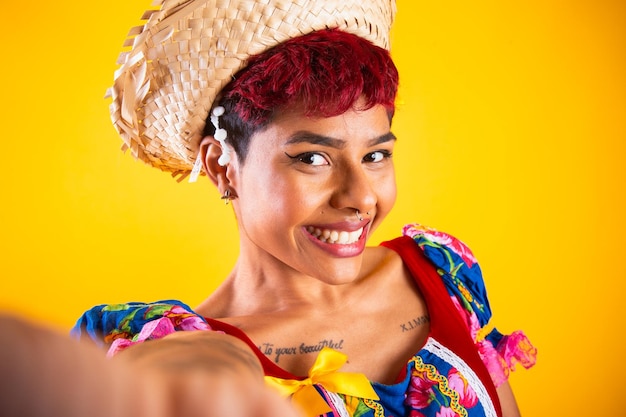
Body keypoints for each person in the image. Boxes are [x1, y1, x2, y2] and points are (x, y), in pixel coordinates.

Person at [2, 0, 537, 416]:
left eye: (375, 155)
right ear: (221, 165)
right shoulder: (178, 347)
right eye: (311, 158)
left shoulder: (441, 271)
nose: (360, 198)